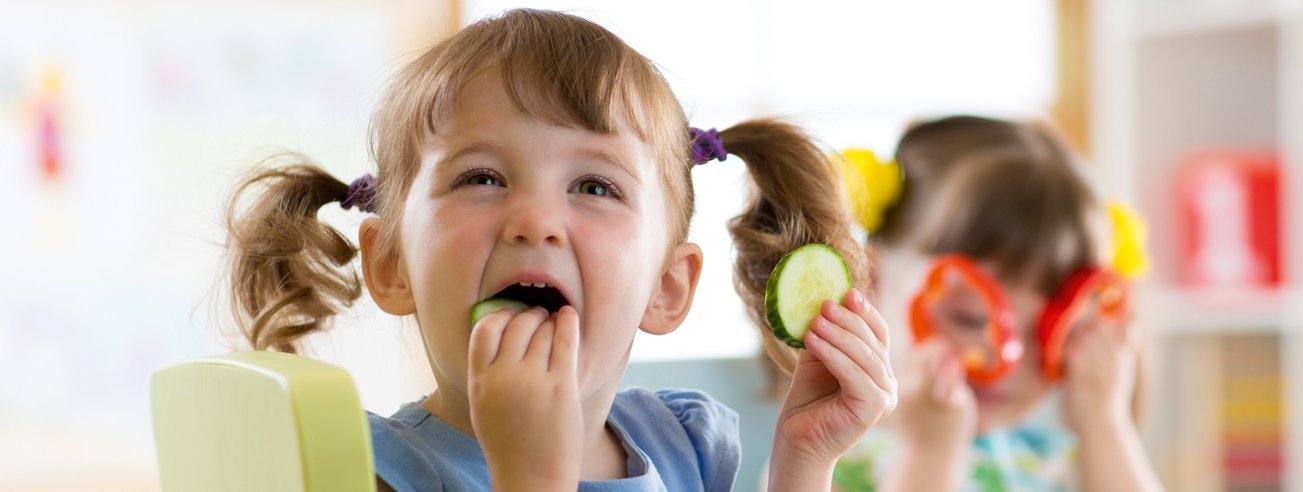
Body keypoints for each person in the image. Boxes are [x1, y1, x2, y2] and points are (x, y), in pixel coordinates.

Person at [221, 9, 897, 491]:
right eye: (481, 178)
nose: (535, 220)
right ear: (391, 263)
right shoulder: (364, 473)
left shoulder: (687, 448)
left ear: (666, 287)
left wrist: (803, 466)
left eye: (594, 185)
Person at [832, 116, 1161, 491]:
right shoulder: (826, 460)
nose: (1008, 361)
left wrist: (1104, 423)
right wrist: (929, 454)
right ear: (869, 280)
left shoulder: (1066, 463)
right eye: (970, 318)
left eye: (1048, 330)